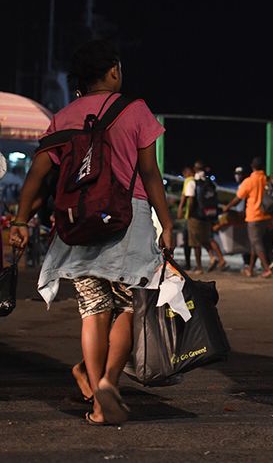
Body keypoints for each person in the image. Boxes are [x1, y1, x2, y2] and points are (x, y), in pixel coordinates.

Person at [9, 39, 174, 425]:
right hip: (126, 220)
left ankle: (95, 386)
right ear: (114, 70)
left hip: (75, 221)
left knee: (93, 309)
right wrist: (166, 223)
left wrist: (19, 221)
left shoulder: (63, 116)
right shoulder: (135, 110)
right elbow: (150, 174)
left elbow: (37, 175)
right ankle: (107, 384)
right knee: (130, 306)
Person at [223, 157, 273, 277]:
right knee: (253, 244)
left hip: (253, 216)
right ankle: (250, 269)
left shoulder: (249, 181)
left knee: (256, 243)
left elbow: (238, 198)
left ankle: (266, 269)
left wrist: (227, 207)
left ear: (252, 167)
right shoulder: (266, 179)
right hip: (266, 216)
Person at [181, 161, 227, 274]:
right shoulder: (209, 183)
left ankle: (199, 267)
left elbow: (191, 200)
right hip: (207, 215)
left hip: (195, 216)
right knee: (206, 239)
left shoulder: (192, 182)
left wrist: (189, 213)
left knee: (195, 243)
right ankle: (213, 257)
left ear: (194, 169)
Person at [176, 165, 195, 270]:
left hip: (190, 215)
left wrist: (180, 209)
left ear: (186, 173)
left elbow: (185, 197)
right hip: (199, 215)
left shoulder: (188, 181)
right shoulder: (197, 181)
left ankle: (188, 264)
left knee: (186, 239)